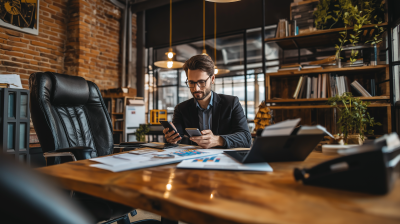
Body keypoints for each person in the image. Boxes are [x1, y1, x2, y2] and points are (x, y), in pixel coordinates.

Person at [163, 55, 251, 149]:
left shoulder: (231, 103)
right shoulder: (181, 109)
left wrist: (218, 140)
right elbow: (177, 137)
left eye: (201, 82)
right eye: (191, 82)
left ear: (212, 79)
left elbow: (246, 138)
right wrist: (171, 138)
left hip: (225, 159)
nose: (196, 88)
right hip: (195, 159)